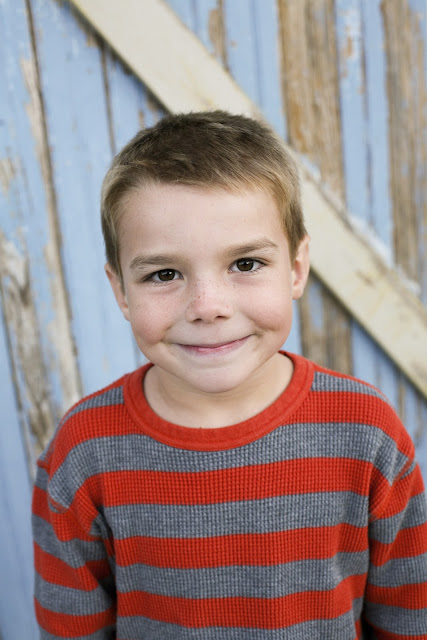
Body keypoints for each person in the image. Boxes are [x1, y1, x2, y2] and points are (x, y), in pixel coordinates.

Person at [32, 110, 427, 639]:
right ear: (121, 290)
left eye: (245, 264)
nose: (208, 306)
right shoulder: (83, 453)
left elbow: (409, 616)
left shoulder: (366, 431)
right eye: (164, 274)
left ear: (296, 268)